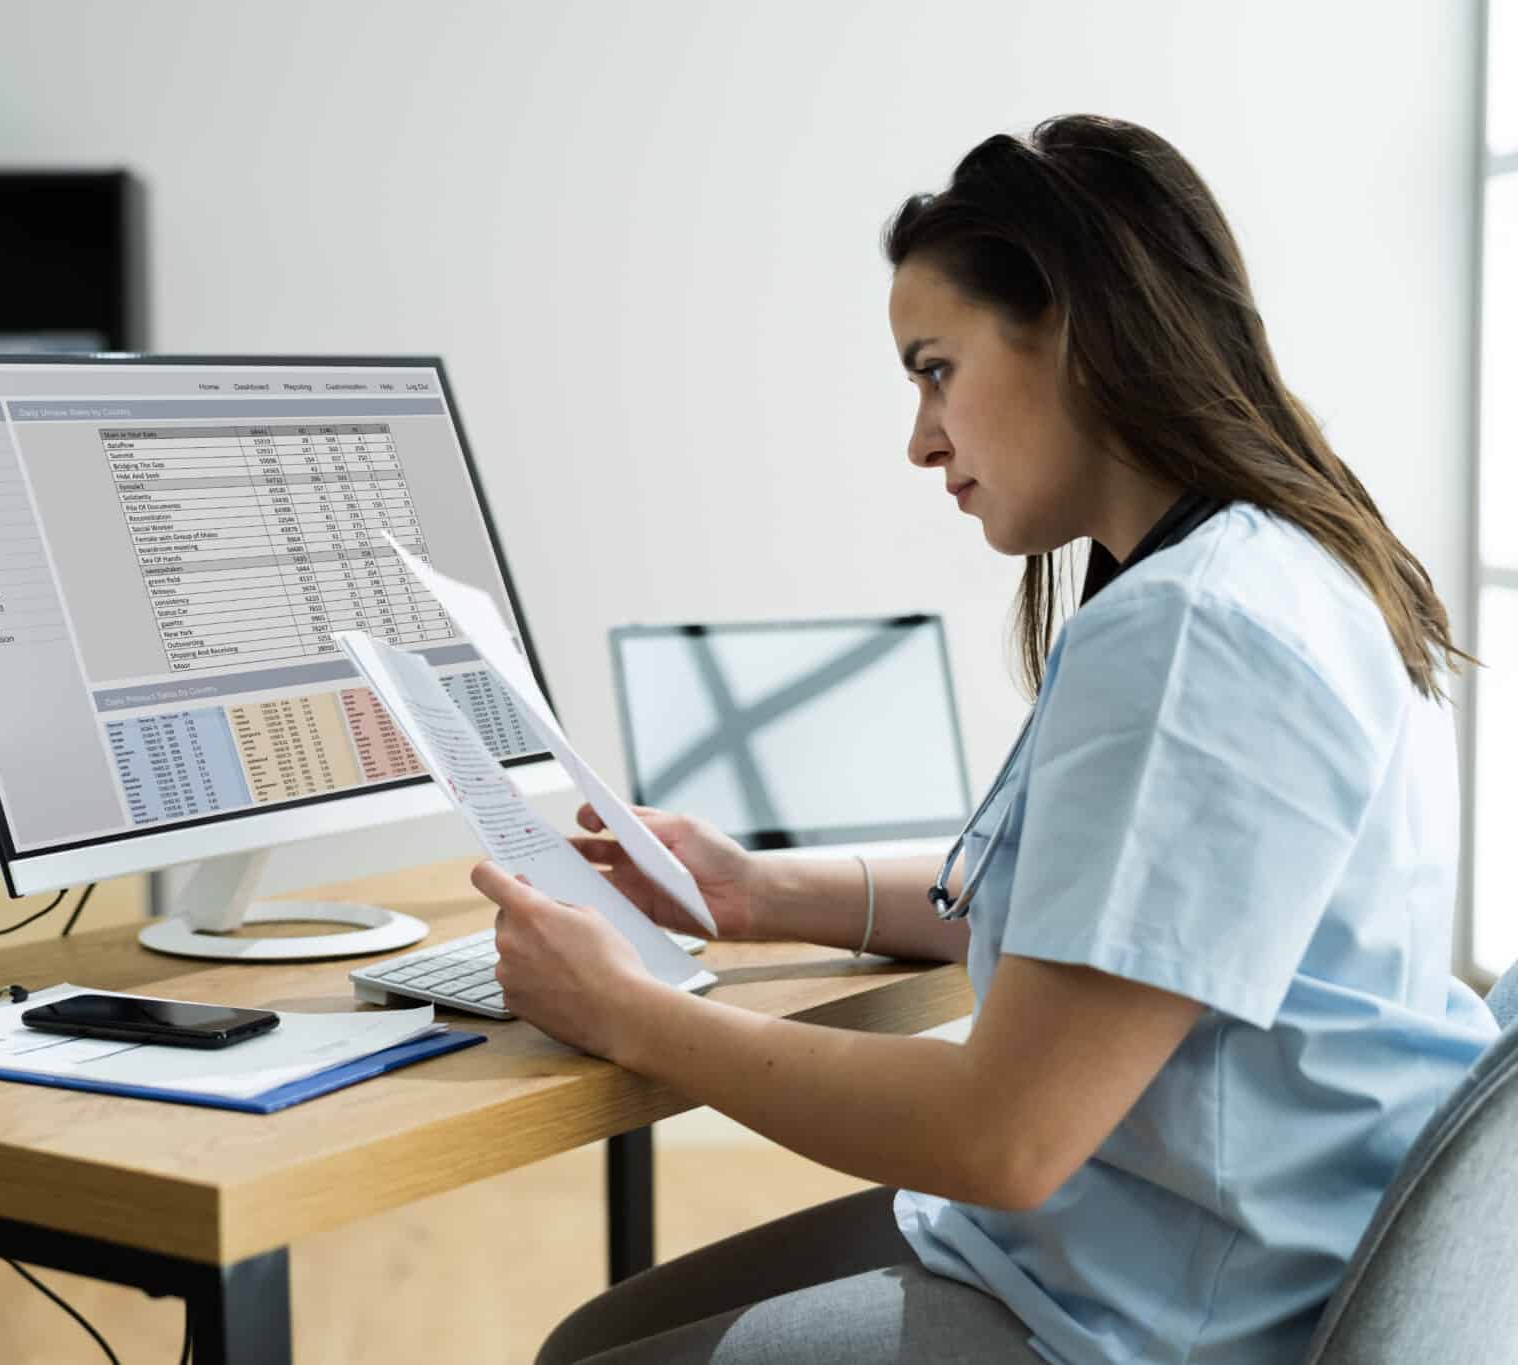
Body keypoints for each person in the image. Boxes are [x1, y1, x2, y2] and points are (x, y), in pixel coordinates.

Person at [474, 113, 1503, 1365]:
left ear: (1068, 330)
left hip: (1172, 1313)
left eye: (932, 369)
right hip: (1232, 1239)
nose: (918, 439)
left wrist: (628, 1012)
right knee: (602, 1331)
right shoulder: (1277, 566)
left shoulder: (1194, 631)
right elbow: (1108, 923)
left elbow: (1002, 1136)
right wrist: (752, 891)